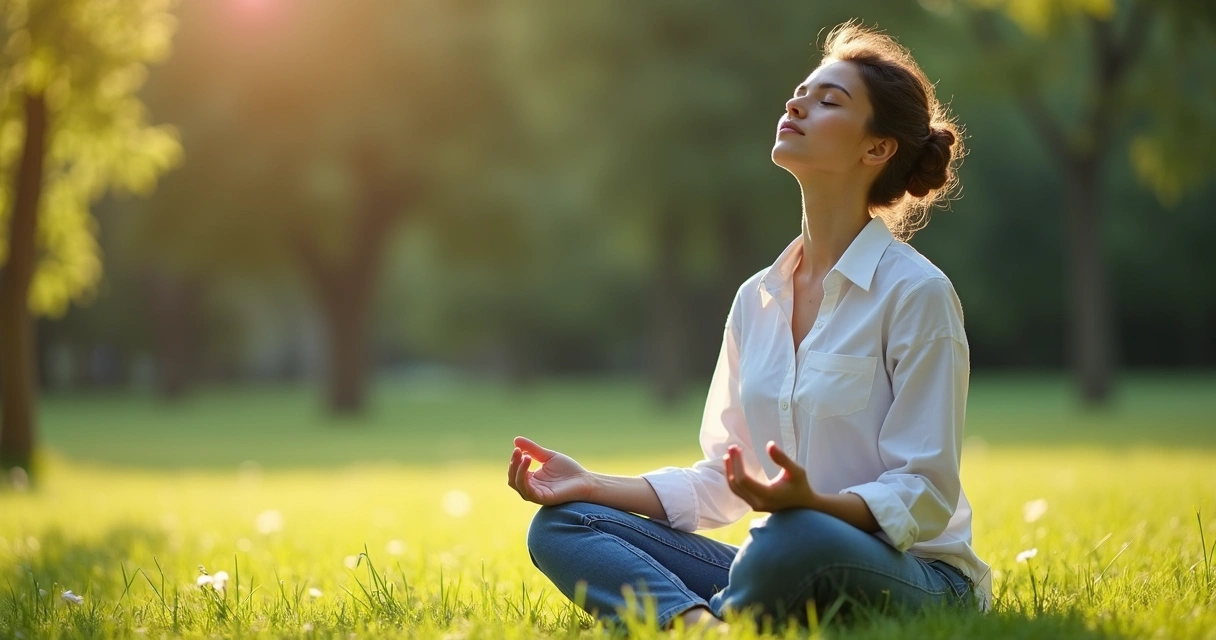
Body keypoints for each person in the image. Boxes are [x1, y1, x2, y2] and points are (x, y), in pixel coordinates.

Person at [507, 20, 991, 633]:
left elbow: (924, 492)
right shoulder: (755, 299)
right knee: (565, 524)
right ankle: (695, 625)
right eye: (801, 92)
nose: (797, 103)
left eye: (829, 101)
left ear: (877, 148)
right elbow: (723, 479)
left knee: (797, 535)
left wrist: (810, 505)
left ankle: (733, 611)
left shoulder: (916, 293)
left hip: (915, 575)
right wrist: (593, 484)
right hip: (781, 554)